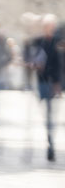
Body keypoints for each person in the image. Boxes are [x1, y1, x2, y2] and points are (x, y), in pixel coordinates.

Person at [29, 14, 62, 161]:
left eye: (51, 26)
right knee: (45, 113)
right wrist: (33, 64)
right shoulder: (37, 41)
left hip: (53, 82)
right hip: (41, 81)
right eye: (46, 26)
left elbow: (61, 64)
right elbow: (30, 57)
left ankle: (51, 145)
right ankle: (49, 140)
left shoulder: (59, 42)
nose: (49, 28)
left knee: (50, 113)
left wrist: (59, 83)